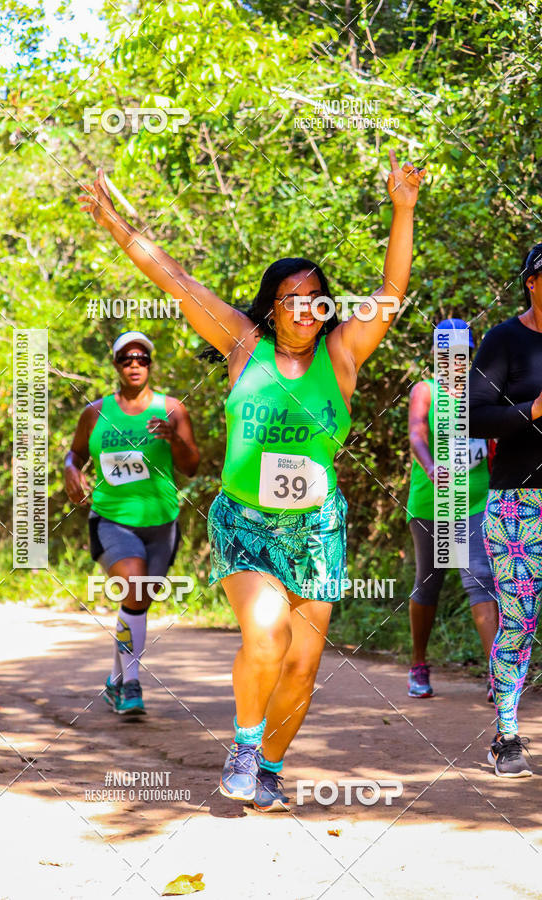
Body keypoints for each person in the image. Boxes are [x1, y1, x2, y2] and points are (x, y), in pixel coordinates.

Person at [79, 150, 425, 810]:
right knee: (266, 631)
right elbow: (176, 279)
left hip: (317, 528)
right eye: (290, 299)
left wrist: (402, 209)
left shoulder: (344, 354)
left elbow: (391, 292)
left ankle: (268, 763)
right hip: (245, 520)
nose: (303, 308)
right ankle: (242, 744)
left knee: (301, 666)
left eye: (314, 299)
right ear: (272, 306)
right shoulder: (243, 344)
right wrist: (118, 226)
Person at [65, 331, 200, 715]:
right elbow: (73, 455)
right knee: (135, 587)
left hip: (161, 522)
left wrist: (174, 438)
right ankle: (132, 684)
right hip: (111, 518)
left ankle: (114, 679)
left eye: (142, 358)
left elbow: (192, 467)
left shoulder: (171, 409)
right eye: (127, 359)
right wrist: (70, 472)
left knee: (136, 602)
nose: (135, 364)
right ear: (116, 366)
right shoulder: (95, 413)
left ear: (150, 364)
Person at [470, 242, 542, 778]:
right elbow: (472, 416)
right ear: (532, 283)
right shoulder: (505, 340)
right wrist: (533, 410)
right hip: (519, 503)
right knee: (517, 620)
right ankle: (508, 736)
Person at [406, 319, 498, 699]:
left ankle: (498, 674)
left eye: (461, 354)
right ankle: (418, 662)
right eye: (447, 353)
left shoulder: (484, 391)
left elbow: (498, 432)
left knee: (479, 577)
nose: (455, 361)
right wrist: (430, 466)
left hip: (476, 499)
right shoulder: (425, 391)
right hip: (432, 502)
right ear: (436, 354)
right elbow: (416, 433)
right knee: (430, 583)